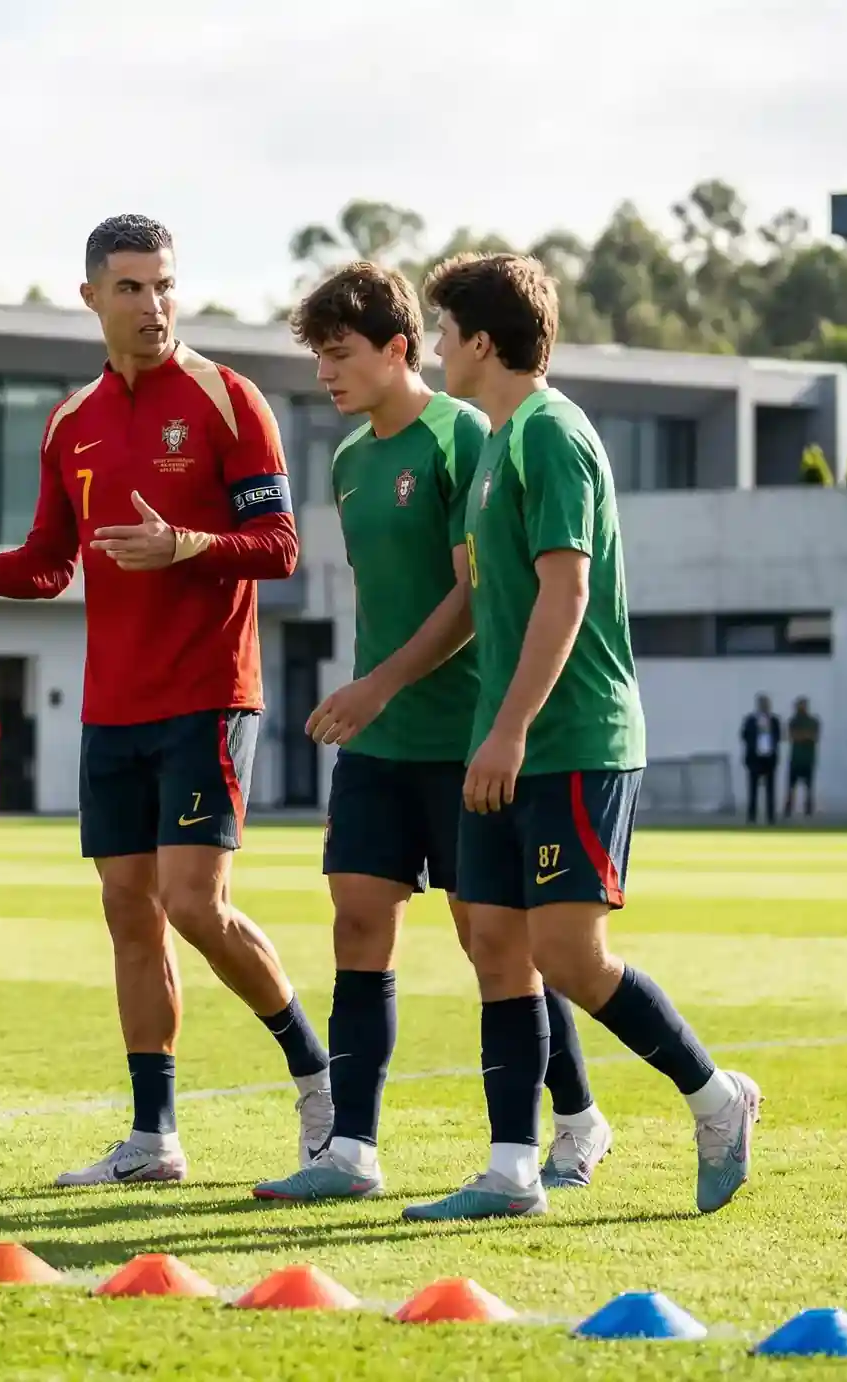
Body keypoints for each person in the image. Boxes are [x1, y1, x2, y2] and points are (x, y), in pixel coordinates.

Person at [0, 214, 331, 1186]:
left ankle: (316, 1077)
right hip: (113, 705)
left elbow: (279, 549)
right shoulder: (71, 423)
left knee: (194, 902)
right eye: (132, 288)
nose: (153, 305)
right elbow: (50, 563)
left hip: (206, 693)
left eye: (165, 285)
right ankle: (153, 1136)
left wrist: (186, 544)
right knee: (127, 910)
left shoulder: (231, 401)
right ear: (92, 295)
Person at [401, 251, 758, 1222]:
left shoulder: (551, 433)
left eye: (443, 330)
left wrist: (509, 729)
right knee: (493, 945)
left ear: (481, 341)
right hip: (504, 738)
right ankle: (511, 1168)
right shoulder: (493, 443)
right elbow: (485, 600)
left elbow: (568, 592)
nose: (434, 347)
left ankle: (717, 1097)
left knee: (566, 952)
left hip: (573, 740)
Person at [250, 262, 609, 1204]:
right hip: (379, 742)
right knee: (358, 920)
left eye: (339, 354)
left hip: (462, 739)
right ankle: (351, 1153)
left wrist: (378, 686)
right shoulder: (346, 459)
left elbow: (468, 595)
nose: (325, 374)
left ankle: (574, 1117)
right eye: (319, 357)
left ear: (399, 347)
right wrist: (370, 696)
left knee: (498, 943)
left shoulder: (468, 433)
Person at [740, 695, 781, 825]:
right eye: (763, 704)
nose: (765, 706)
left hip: (769, 758)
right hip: (754, 758)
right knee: (752, 789)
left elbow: (778, 736)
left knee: (771, 789)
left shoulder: (774, 720)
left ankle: (771, 817)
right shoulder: (750, 720)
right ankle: (752, 816)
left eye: (767, 704)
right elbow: (744, 735)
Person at [785, 696, 820, 818]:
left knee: (809, 787)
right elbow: (792, 736)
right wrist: (805, 735)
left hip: (808, 759)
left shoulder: (813, 721)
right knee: (790, 787)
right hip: (795, 759)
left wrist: (802, 735)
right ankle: (788, 809)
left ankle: (808, 809)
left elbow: (814, 737)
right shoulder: (793, 721)